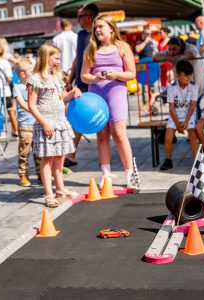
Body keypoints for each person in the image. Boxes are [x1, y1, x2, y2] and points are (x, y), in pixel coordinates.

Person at [81, 14, 137, 188]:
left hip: (116, 93)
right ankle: (106, 175)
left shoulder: (122, 47)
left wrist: (116, 75)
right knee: (102, 135)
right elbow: (84, 76)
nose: (97, 30)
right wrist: (95, 78)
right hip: (96, 95)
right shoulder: (90, 49)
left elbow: (132, 73)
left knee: (119, 134)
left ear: (111, 28)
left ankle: (130, 174)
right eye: (95, 27)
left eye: (101, 26)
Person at [27, 44, 81, 208]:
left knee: (59, 157)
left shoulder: (56, 78)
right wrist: (44, 122)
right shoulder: (36, 79)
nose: (58, 62)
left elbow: (61, 99)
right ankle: (49, 193)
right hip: (47, 124)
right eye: (56, 58)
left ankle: (60, 189)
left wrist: (71, 94)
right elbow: (32, 105)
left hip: (60, 123)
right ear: (46, 57)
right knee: (47, 159)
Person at [65, 3, 99, 168]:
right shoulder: (80, 36)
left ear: (89, 17)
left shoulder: (97, 35)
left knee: (99, 119)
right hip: (80, 83)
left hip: (94, 83)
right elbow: (77, 58)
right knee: (77, 119)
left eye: (80, 16)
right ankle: (70, 155)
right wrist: (70, 78)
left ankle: (104, 157)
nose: (77, 20)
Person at [160, 60, 199, 171]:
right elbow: (171, 108)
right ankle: (168, 160)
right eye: (186, 76)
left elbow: (192, 106)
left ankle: (196, 161)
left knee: (192, 133)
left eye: (190, 75)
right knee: (168, 135)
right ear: (178, 76)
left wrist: (186, 122)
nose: (189, 78)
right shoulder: (171, 87)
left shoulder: (194, 86)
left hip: (189, 115)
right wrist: (177, 124)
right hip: (175, 115)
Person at [153, 37, 204, 119]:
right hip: (184, 86)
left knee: (194, 104)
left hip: (197, 82)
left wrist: (172, 58)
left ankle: (196, 125)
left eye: (174, 49)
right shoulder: (171, 53)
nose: (171, 51)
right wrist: (168, 57)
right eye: (169, 49)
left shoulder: (190, 47)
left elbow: (190, 54)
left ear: (181, 46)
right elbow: (155, 57)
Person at [13, 59, 41, 187]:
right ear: (22, 74)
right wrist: (33, 109)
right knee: (24, 152)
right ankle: (23, 175)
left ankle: (41, 174)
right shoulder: (17, 87)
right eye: (31, 71)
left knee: (39, 151)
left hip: (37, 123)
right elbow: (22, 103)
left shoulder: (35, 85)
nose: (34, 72)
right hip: (25, 125)